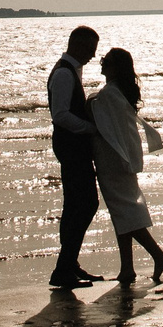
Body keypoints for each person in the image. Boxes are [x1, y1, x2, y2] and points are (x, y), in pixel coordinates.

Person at [88, 47, 163, 285]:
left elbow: (100, 120)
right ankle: (127, 268)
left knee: (124, 210)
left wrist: (90, 101)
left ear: (116, 67)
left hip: (113, 158)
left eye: (107, 61)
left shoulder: (111, 93)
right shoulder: (117, 91)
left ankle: (158, 255)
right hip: (118, 156)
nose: (102, 63)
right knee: (122, 210)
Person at [45, 25, 104, 289]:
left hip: (72, 145)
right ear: (77, 45)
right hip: (70, 146)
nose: (93, 56)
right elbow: (60, 115)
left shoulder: (70, 70)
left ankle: (69, 264)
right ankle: (64, 267)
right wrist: (90, 128)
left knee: (76, 205)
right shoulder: (64, 74)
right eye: (90, 50)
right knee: (85, 203)